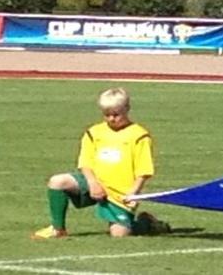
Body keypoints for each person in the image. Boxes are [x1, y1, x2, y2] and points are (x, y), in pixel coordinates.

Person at [32, 88, 165, 239]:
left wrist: (133, 194)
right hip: (94, 183)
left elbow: (144, 171)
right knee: (57, 181)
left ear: (127, 109)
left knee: (119, 235)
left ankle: (146, 222)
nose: (111, 119)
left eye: (116, 114)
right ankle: (58, 229)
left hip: (119, 193)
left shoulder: (139, 135)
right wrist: (93, 183)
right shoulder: (94, 132)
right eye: (107, 115)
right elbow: (85, 162)